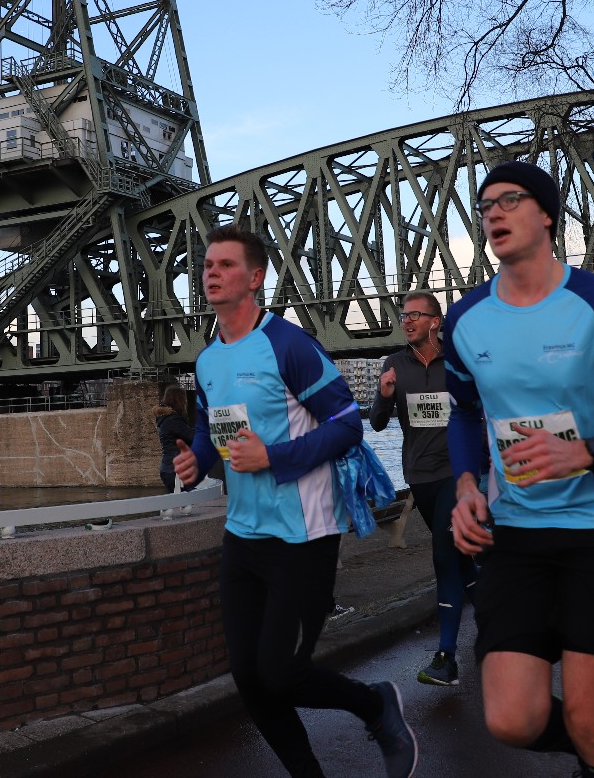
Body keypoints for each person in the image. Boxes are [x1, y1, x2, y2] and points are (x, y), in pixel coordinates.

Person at [446, 160, 594, 778]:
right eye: (485, 205)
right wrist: (466, 485)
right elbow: (464, 415)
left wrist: (588, 452)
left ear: (546, 214)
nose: (493, 212)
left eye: (510, 200)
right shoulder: (465, 318)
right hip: (518, 533)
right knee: (511, 720)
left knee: (588, 723)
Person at [173, 225, 417, 778]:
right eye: (207, 265)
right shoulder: (207, 360)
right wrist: (195, 461)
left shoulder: (288, 345)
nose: (211, 273)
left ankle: (374, 703)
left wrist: (274, 458)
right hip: (243, 536)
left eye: (225, 265)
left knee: (280, 673)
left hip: (302, 536)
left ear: (254, 278)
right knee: (248, 677)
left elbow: (348, 424)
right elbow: (214, 430)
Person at [369, 289, 476, 686]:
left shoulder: (458, 362)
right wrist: (384, 396)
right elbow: (377, 422)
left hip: (456, 473)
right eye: (404, 315)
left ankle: (446, 657)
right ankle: (502, 629)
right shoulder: (394, 364)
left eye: (416, 314)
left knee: (444, 556)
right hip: (419, 475)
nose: (407, 320)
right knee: (462, 560)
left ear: (435, 322)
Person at [154, 385, 193, 493]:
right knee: (187, 498)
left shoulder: (166, 418)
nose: (186, 402)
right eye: (184, 399)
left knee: (182, 498)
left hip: (169, 468)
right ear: (179, 400)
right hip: (175, 470)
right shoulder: (173, 420)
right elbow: (192, 436)